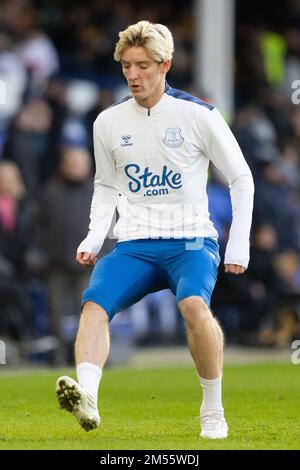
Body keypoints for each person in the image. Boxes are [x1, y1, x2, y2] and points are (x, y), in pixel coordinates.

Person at [55, 20, 254, 439]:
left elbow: (241, 178)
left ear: (165, 65)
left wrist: (239, 244)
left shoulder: (199, 115)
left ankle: (212, 410)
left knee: (194, 307)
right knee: (94, 306)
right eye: (126, 65)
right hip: (135, 243)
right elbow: (106, 186)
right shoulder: (107, 122)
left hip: (190, 241)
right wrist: (94, 238)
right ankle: (87, 397)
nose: (133, 74)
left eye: (143, 65)